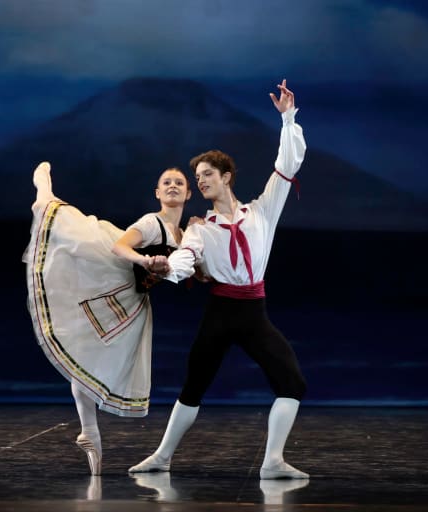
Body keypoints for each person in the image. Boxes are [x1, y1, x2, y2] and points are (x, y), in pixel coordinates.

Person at [129, 79, 309, 479]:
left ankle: (272, 462)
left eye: (207, 174)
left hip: (254, 313)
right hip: (221, 313)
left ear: (227, 176)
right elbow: (185, 258)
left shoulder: (261, 211)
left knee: (292, 382)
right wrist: (165, 267)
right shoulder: (200, 227)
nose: (201, 181)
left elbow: (286, 167)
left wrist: (287, 118)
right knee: (194, 386)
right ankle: (161, 457)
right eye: (197, 177)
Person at [23, 162, 191, 476]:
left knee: (90, 354)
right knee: (62, 222)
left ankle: (89, 432)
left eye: (179, 183)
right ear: (157, 193)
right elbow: (119, 246)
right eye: (166, 182)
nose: (172, 186)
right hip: (112, 272)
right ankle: (42, 188)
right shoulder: (152, 223)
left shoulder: (183, 234)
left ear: (188, 194)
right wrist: (145, 260)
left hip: (133, 298)